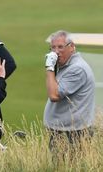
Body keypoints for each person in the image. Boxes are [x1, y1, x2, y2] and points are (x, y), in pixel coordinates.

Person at [43, 30, 95, 160]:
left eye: (60, 47)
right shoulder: (66, 66)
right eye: (53, 47)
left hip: (72, 132)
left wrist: (49, 67)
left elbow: (54, 95)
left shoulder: (77, 69)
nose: (56, 52)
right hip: (65, 130)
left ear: (72, 47)